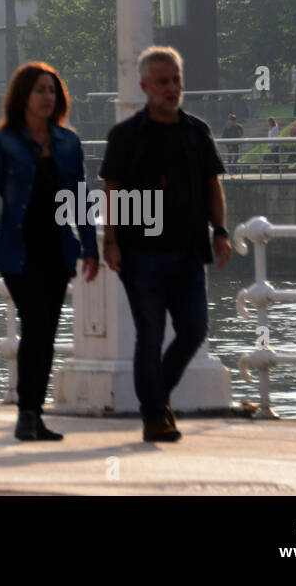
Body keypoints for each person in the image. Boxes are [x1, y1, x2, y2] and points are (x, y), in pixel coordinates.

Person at [100, 46, 232, 443]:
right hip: (141, 254)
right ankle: (154, 416)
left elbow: (213, 184)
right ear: (144, 86)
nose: (172, 87)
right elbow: (112, 191)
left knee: (194, 330)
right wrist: (111, 241)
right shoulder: (126, 136)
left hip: (190, 251)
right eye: (163, 81)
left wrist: (221, 231)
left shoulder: (197, 131)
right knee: (151, 335)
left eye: (176, 79)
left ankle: (158, 397)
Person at [0, 62, 100, 441]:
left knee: (45, 333)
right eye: (40, 90)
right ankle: (28, 414)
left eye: (52, 90)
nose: (48, 97)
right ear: (23, 97)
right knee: (37, 325)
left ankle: (33, 414)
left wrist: (90, 247)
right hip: (17, 252)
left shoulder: (69, 142)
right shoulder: (4, 143)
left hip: (57, 251)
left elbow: (80, 199)